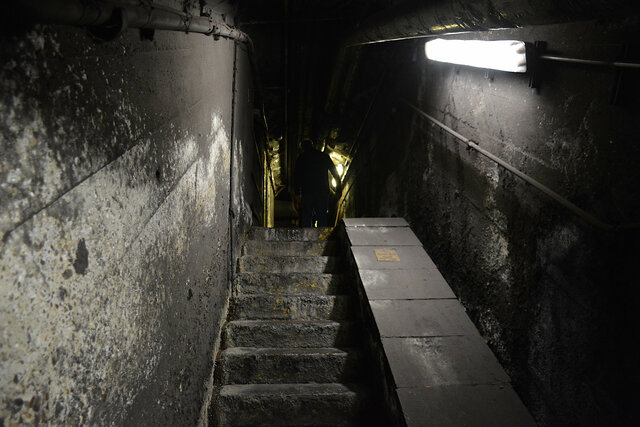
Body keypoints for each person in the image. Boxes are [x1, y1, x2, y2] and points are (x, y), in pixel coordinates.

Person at [294, 139, 342, 227]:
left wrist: (297, 193)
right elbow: (334, 171)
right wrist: (339, 186)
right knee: (321, 215)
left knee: (307, 215)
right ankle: (321, 236)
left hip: (308, 191)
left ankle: (307, 236)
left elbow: (297, 177)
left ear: (303, 148)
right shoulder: (323, 156)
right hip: (322, 190)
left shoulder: (301, 158)